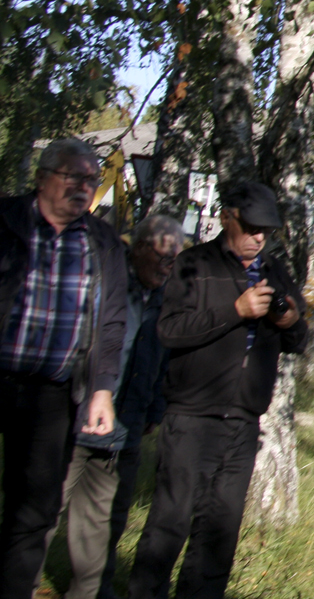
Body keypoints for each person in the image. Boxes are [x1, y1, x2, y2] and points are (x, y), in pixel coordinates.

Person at [128, 182, 307, 599]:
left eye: (268, 231)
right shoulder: (194, 263)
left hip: (244, 423)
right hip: (191, 417)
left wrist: (290, 322)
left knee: (219, 536)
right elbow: (169, 331)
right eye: (252, 227)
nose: (260, 237)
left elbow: (298, 339)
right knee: (168, 526)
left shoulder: (275, 271)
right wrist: (235, 311)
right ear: (228, 217)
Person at [0, 137, 128, 599]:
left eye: (91, 179)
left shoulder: (102, 242)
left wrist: (102, 390)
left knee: (32, 511)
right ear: (41, 177)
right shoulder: (6, 221)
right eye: (73, 176)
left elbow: (113, 320)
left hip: (51, 394)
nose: (84, 186)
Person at [40, 214, 181, 599]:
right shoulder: (107, 285)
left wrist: (153, 411)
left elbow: (161, 361)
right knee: (46, 510)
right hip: (79, 417)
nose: (169, 265)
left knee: (107, 522)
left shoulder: (166, 299)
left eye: (175, 258)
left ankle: (92, 591)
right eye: (163, 256)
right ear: (138, 249)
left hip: (127, 427)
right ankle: (23, 581)